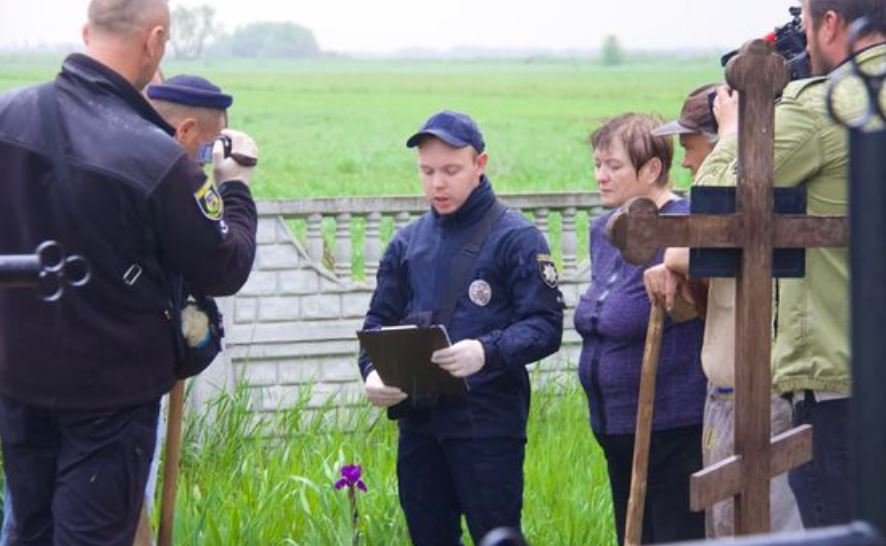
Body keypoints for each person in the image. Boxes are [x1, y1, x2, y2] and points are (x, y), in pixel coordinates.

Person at [0, 0, 259, 544]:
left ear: (86, 31)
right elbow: (224, 268)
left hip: (19, 383)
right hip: (108, 403)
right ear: (155, 40)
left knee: (28, 531)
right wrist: (234, 188)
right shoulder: (155, 158)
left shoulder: (7, 117)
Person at [693, 0, 885, 528]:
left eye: (804, 25)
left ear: (829, 24)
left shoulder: (827, 105)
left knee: (843, 528)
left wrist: (733, 132)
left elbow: (718, 204)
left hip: (839, 378)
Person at [357, 110, 564, 545]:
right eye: (427, 171)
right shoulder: (406, 243)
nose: (437, 184)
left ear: (480, 164)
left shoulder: (517, 238)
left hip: (487, 424)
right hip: (419, 424)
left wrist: (485, 352)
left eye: (450, 170)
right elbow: (376, 326)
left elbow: (546, 325)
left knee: (498, 537)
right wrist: (374, 375)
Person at [644, 86, 803, 537]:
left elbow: (702, 246)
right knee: (723, 528)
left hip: (761, 403)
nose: (688, 162)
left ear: (721, 144)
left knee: (758, 527)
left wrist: (675, 259)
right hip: (722, 397)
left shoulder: (756, 203)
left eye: (692, 148)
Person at [574, 113, 707, 545]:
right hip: (614, 426)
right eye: (597, 164)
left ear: (651, 169)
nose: (600, 175)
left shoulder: (684, 225)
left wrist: (674, 264)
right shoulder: (605, 229)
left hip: (670, 426)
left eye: (612, 165)